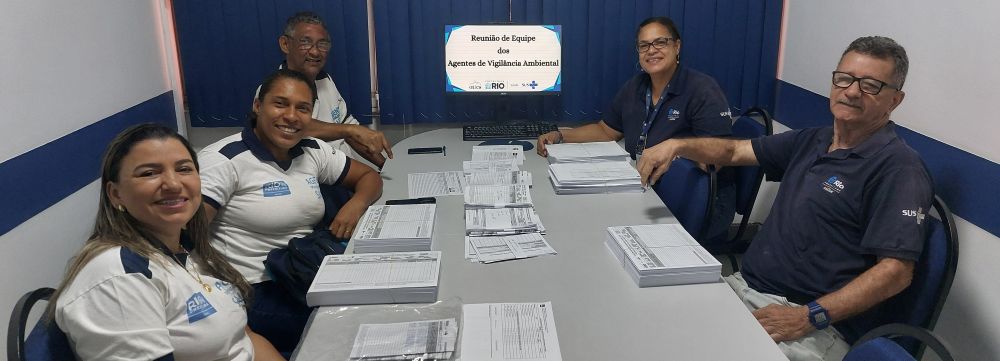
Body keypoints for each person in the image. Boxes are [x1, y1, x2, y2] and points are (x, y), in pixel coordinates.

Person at [636, 36, 932, 361]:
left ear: (895, 100)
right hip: (746, 287)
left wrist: (809, 316)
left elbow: (896, 272)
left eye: (870, 85)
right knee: (649, 330)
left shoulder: (899, 168)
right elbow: (733, 151)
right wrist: (677, 145)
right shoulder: (814, 139)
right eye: (844, 79)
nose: (851, 91)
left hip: (810, 323)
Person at [50, 124, 283, 360]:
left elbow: (243, 338)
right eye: (149, 173)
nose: (173, 184)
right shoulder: (119, 276)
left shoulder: (188, 248)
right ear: (116, 194)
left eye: (184, 169)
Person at [200, 69, 384, 353]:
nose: (291, 116)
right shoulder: (224, 160)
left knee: (381, 295)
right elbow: (183, 240)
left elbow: (369, 177)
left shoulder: (310, 149)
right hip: (256, 290)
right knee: (357, 320)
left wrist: (355, 204)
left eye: (303, 108)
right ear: (258, 106)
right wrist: (220, 307)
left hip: (304, 271)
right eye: (280, 104)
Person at [537, 16, 735, 241]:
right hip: (645, 189)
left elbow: (720, 157)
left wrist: (677, 148)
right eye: (644, 45)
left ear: (677, 46)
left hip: (698, 201)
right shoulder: (636, 87)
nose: (651, 50)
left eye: (660, 42)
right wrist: (561, 135)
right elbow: (606, 131)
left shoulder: (702, 90)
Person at [265, 11, 393, 168]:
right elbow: (297, 126)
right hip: (316, 177)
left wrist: (385, 167)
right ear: (285, 44)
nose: (315, 52)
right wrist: (349, 130)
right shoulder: (271, 90)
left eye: (322, 44)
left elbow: (350, 132)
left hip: (348, 170)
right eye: (305, 42)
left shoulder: (325, 80)